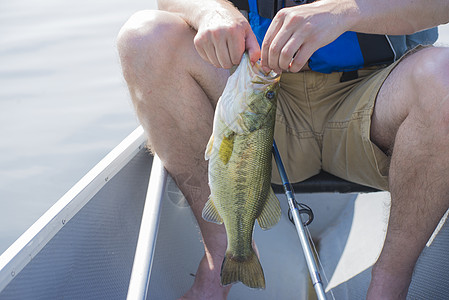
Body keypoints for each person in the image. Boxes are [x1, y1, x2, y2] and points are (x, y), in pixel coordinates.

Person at [117, 0, 449, 298]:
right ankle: (221, 259)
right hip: (260, 102)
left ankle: (390, 284)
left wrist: (344, 12)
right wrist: (210, 11)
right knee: (144, 36)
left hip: (376, 101)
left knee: (444, 77)